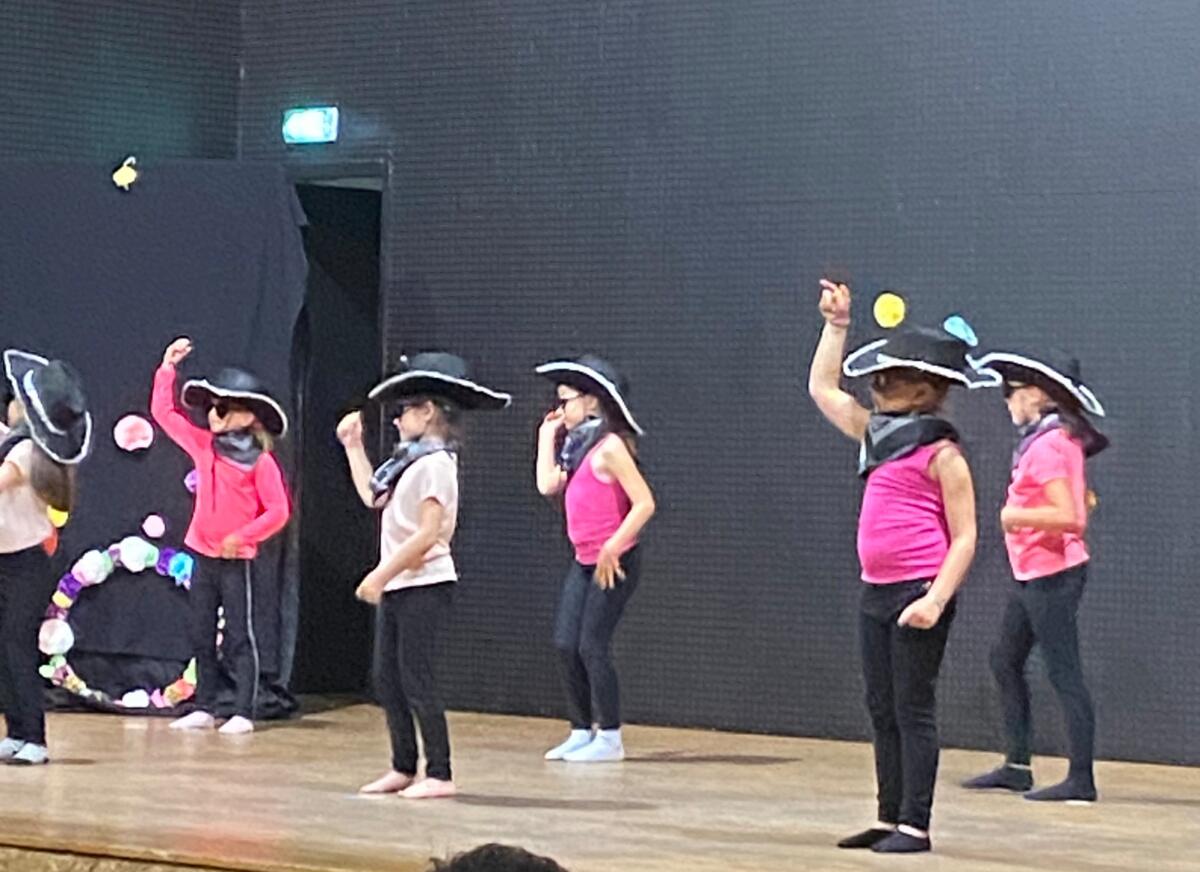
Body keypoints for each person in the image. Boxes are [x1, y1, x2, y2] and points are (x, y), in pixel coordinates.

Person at [808, 280, 990, 853]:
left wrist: (935, 599)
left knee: (913, 708)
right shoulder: (875, 434)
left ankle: (916, 823)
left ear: (927, 389)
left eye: (893, 378)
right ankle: (889, 816)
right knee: (881, 707)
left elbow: (966, 537)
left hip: (918, 590)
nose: (879, 384)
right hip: (877, 590)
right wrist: (836, 326)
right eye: (880, 377)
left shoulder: (944, 454)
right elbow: (822, 388)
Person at [338, 352, 510, 799]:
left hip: (425, 584)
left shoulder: (436, 464)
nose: (396, 420)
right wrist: (353, 446)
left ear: (428, 411)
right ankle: (402, 765)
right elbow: (373, 496)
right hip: (401, 582)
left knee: (417, 677)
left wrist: (380, 574)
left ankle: (439, 772)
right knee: (387, 678)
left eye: (404, 410)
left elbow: (429, 533)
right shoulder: (408, 462)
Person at [963, 347, 1108, 802]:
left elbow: (1070, 517)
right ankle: (1017, 766)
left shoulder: (1049, 444)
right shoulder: (1052, 440)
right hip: (1033, 571)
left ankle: (1081, 779)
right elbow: (1075, 501)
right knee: (1005, 660)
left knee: (1065, 672)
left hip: (1053, 574)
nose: (1008, 401)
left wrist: (1014, 516)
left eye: (1012, 392)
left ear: (1037, 395)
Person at [152, 338, 291, 735]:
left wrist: (243, 536)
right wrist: (167, 368)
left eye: (224, 408)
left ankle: (243, 710)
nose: (214, 414)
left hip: (235, 559)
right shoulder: (204, 446)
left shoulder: (261, 462)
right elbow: (164, 413)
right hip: (202, 553)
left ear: (247, 416)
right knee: (200, 631)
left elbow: (279, 510)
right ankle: (205, 706)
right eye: (212, 407)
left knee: (238, 635)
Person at [535, 355, 655, 763]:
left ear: (591, 402)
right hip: (584, 561)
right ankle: (580, 729)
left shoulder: (610, 447)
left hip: (614, 562)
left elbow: (644, 503)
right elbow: (547, 484)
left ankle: (610, 737)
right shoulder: (575, 447)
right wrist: (546, 436)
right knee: (565, 643)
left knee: (592, 646)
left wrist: (613, 546)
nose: (561, 408)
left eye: (566, 400)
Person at [0, 349, 91, 765]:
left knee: (17, 644)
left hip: (27, 562)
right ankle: (16, 731)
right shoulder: (12, 440)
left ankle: (34, 738)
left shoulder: (27, 451)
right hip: (6, 558)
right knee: (4, 646)